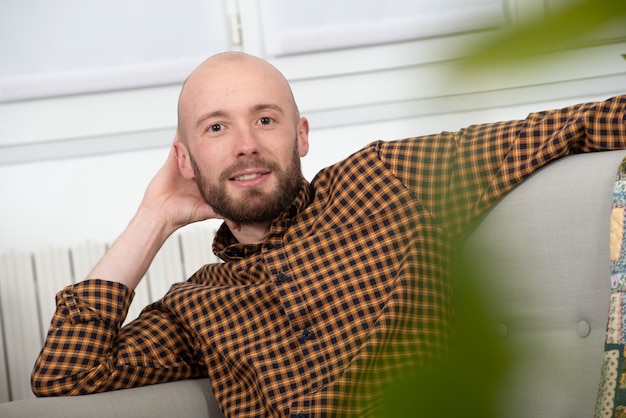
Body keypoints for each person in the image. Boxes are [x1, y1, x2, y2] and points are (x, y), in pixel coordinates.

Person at [31, 51, 626, 417]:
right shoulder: (195, 306)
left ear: (302, 136)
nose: (246, 143)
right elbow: (65, 374)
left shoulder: (384, 180)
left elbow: (560, 128)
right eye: (217, 128)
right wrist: (153, 217)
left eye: (266, 119)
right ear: (186, 162)